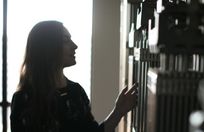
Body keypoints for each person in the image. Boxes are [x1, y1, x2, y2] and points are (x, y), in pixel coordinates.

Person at [10, 20, 138, 132]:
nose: (74, 46)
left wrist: (119, 111)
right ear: (48, 48)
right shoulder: (24, 99)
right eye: (66, 40)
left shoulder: (76, 92)